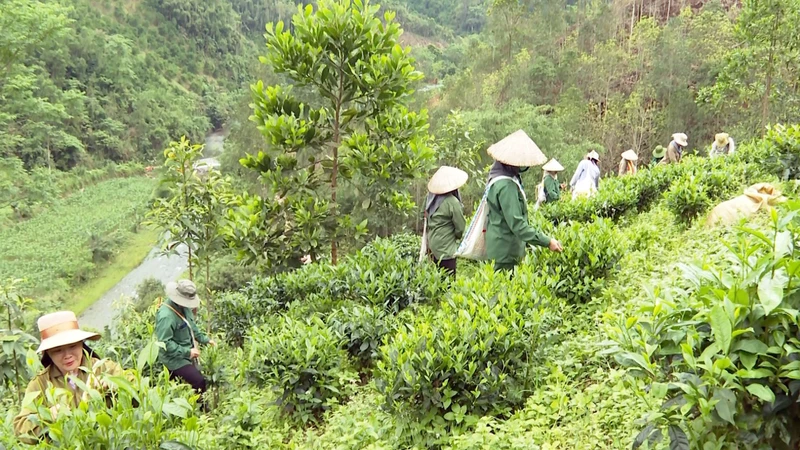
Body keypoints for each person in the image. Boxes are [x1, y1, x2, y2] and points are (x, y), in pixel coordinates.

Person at [13, 311, 126, 444]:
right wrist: (47, 415)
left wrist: (113, 385)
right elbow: (21, 429)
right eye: (58, 350)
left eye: (72, 346)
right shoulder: (40, 384)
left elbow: (138, 388)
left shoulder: (103, 368)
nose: (67, 355)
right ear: (48, 353)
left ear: (81, 344)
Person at [484, 130, 563, 273]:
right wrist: (547, 241)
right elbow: (518, 224)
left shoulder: (498, 177)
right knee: (504, 293)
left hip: (501, 246)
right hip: (505, 252)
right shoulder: (506, 186)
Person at [155, 280, 215, 397]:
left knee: (193, 383)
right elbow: (164, 343)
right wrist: (187, 352)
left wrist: (206, 340)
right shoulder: (166, 316)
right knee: (199, 381)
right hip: (174, 359)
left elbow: (192, 327)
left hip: (187, 353)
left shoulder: (185, 307)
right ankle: (201, 409)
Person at [424, 165, 468, 278]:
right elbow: (460, 227)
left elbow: (424, 217)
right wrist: (457, 237)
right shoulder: (452, 202)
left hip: (432, 247)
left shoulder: (429, 200)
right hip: (446, 250)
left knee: (435, 282)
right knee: (448, 283)